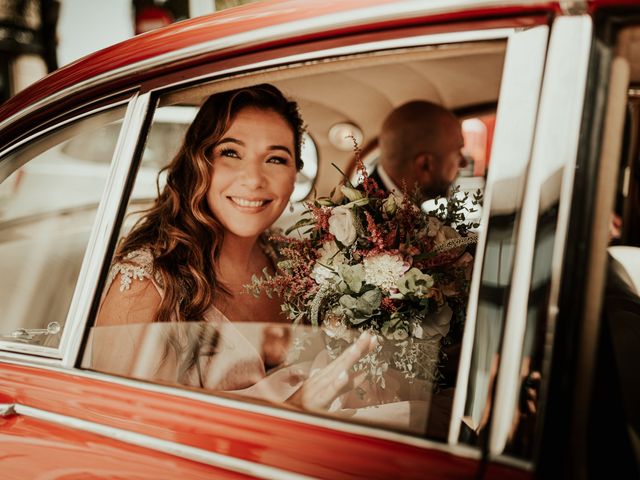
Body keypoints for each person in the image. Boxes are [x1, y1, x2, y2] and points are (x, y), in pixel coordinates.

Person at [91, 84, 376, 410]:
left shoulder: (291, 263)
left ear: (295, 173)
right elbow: (119, 427)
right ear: (199, 163)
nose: (254, 179)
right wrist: (295, 407)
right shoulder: (145, 284)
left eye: (275, 159)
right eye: (230, 153)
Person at [372, 100, 468, 201]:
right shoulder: (358, 214)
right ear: (425, 165)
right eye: (458, 151)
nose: (464, 163)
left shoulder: (410, 203)